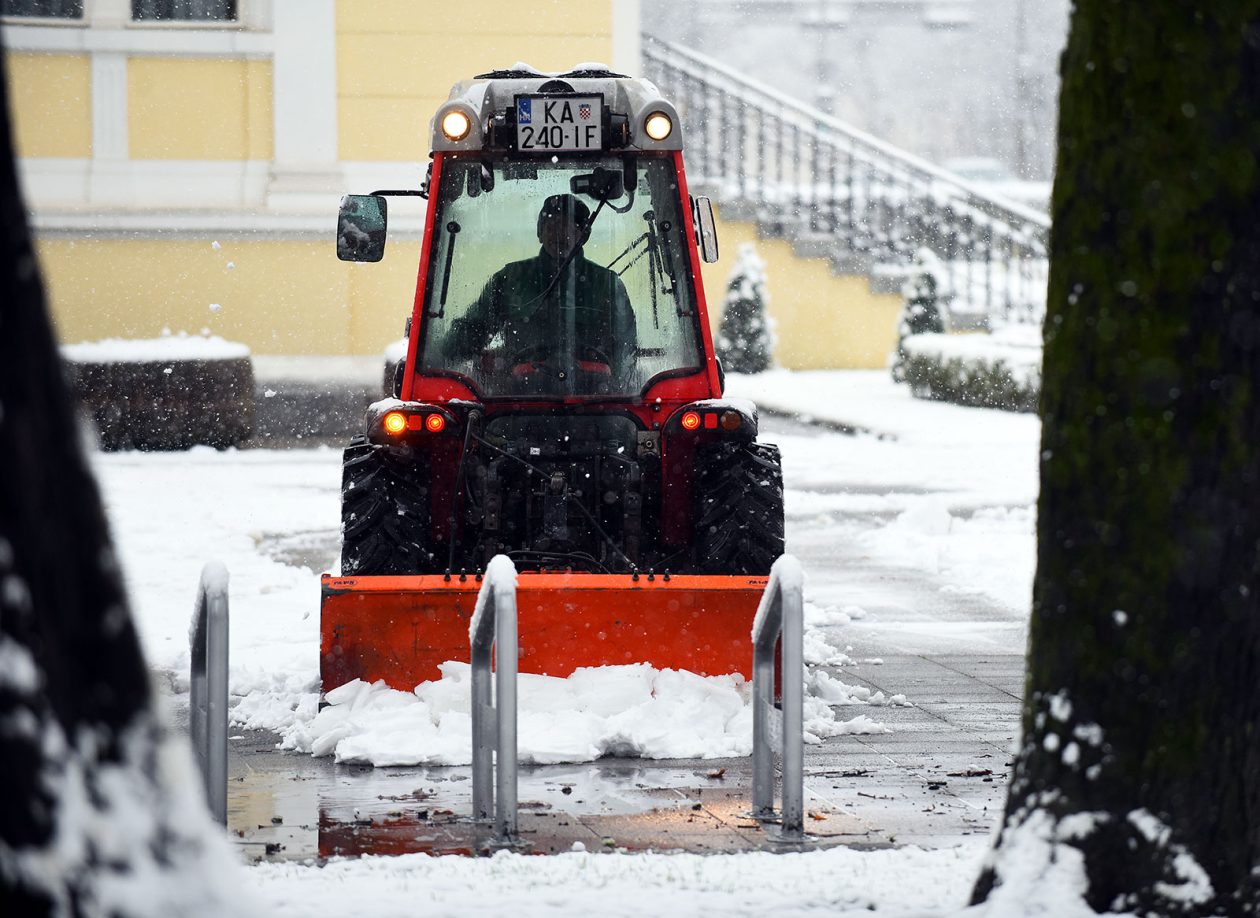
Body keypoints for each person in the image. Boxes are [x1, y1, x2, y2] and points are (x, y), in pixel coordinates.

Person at [442, 194, 637, 390]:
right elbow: (476, 326)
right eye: (551, 227)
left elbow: (625, 348)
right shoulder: (510, 279)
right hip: (519, 397)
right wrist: (440, 355)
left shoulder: (607, 284)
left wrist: (616, 391)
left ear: (583, 235)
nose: (558, 236)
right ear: (540, 233)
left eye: (567, 228)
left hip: (597, 399)